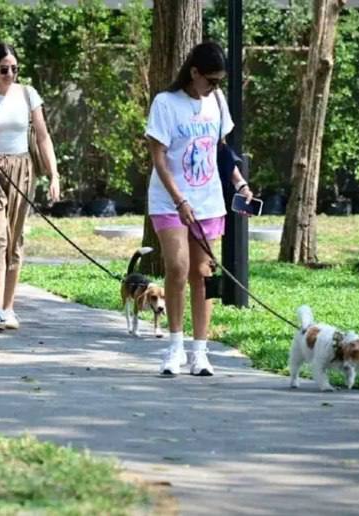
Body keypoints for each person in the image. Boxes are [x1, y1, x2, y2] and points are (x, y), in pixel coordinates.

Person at [144, 42, 254, 376]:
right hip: (170, 200)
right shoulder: (166, 104)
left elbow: (220, 150)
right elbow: (158, 156)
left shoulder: (217, 102)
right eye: (211, 80)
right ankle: (174, 347)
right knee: (177, 268)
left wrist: (240, 184)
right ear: (194, 73)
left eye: (220, 81)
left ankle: (200, 352)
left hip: (208, 201)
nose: (215, 87)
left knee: (202, 275)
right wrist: (179, 200)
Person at [0, 43, 61, 331]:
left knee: (14, 238)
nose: (10, 74)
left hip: (22, 169)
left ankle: (9, 308)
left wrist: (53, 174)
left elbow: (43, 138)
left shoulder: (28, 95)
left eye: (14, 69)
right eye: (4, 69)